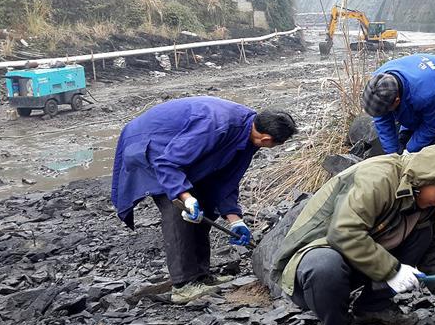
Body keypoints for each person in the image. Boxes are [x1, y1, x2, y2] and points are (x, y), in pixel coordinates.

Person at [269, 144, 435, 325]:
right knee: (324, 266)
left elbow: (430, 251)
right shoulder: (379, 178)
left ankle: (372, 307)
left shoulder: (423, 195)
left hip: (359, 256)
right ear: (429, 176)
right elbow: (343, 233)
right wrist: (393, 271)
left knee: (423, 236)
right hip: (311, 264)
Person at [111, 96, 296, 304]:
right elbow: (167, 164)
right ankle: (184, 285)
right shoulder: (216, 126)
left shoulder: (250, 134)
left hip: (179, 151)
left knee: (205, 205)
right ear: (267, 140)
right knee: (178, 209)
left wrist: (235, 220)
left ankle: (201, 275)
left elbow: (226, 179)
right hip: (151, 144)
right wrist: (186, 197)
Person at [362, 54, 435, 154]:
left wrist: (410, 150)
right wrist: (392, 155)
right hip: (422, 81)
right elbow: (382, 120)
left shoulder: (427, 94)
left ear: (397, 100)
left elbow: (431, 125)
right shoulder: (379, 82)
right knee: (406, 135)